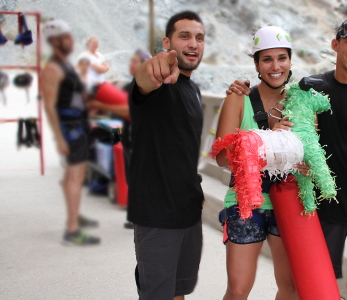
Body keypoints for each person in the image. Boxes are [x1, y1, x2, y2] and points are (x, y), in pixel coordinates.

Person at [227, 18, 347, 300]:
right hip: (320, 209)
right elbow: (287, 112)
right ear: (335, 44)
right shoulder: (310, 87)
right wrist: (241, 91)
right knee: (312, 285)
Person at [215, 26, 298, 300]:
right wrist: (267, 142)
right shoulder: (239, 98)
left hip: (288, 198)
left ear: (290, 61)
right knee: (238, 291)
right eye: (267, 59)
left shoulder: (300, 102)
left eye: (282, 58)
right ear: (256, 65)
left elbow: (310, 153)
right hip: (245, 201)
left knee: (290, 288)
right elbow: (222, 157)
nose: (276, 66)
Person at [127, 11, 205, 300]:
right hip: (157, 215)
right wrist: (154, 68)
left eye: (199, 38)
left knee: (178, 291)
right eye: (184, 36)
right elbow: (144, 80)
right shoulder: (160, 83)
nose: (193, 44)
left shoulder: (192, 89)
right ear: (167, 42)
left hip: (188, 211)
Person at [41, 19, 100, 246]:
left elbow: (74, 94)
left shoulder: (64, 64)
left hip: (78, 124)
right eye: (66, 37)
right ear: (55, 41)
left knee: (73, 174)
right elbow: (49, 105)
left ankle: (74, 215)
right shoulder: (53, 68)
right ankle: (72, 229)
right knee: (75, 175)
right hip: (71, 129)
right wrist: (59, 138)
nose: (71, 41)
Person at [87, 48, 152, 229]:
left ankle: (141, 216)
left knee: (138, 178)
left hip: (140, 139)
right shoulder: (134, 84)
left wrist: (101, 104)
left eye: (134, 61)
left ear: (143, 64)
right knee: (131, 177)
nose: (130, 65)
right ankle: (135, 215)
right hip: (130, 137)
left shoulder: (145, 86)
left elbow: (131, 111)